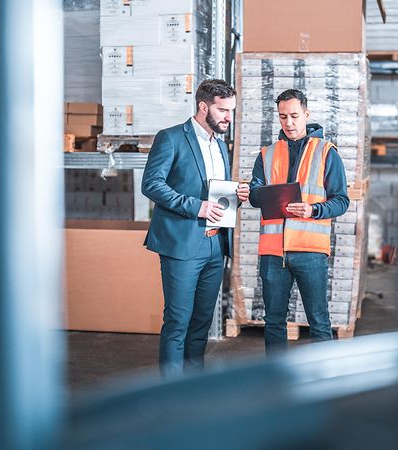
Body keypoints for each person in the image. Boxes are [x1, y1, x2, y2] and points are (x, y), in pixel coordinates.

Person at [142, 79, 249, 376]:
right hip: (183, 243)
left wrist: (236, 197)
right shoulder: (171, 138)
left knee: (202, 322)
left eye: (232, 110)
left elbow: (216, 195)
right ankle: (171, 392)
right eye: (223, 110)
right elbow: (151, 184)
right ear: (204, 107)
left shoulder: (220, 145)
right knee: (178, 321)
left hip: (215, 245)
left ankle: (193, 386)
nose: (229, 116)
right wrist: (195, 206)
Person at [249, 89, 349, 353]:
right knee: (273, 322)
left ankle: (326, 381)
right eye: (283, 117)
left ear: (307, 114)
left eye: (294, 115)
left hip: (310, 252)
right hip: (273, 253)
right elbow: (254, 195)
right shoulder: (266, 154)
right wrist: (253, 193)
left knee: (319, 322)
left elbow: (341, 200)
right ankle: (276, 382)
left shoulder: (327, 152)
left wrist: (312, 210)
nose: (289, 123)